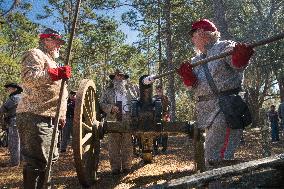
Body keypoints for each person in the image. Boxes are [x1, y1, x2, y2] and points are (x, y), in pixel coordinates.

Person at [177, 19, 254, 169]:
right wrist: (188, 77)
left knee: (218, 158)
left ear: (203, 33)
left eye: (193, 35)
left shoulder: (224, 47)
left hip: (227, 109)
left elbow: (237, 64)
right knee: (212, 157)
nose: (192, 39)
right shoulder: (196, 60)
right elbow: (192, 86)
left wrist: (240, 57)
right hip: (208, 112)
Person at [16, 28, 71, 189]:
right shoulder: (35, 54)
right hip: (34, 114)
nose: (59, 46)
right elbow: (28, 78)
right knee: (36, 161)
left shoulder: (51, 60)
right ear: (46, 40)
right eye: (56, 42)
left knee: (50, 159)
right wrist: (55, 73)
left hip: (49, 117)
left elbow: (59, 94)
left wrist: (61, 115)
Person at [99, 69, 138, 175]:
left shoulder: (132, 89)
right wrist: (111, 108)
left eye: (122, 76)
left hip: (127, 119)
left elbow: (138, 102)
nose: (120, 78)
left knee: (127, 144)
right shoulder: (108, 90)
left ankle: (127, 167)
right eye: (118, 76)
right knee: (113, 146)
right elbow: (101, 103)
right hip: (113, 119)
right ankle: (115, 168)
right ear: (114, 78)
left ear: (124, 78)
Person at [0, 83, 22, 166]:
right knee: (21, 141)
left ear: (15, 89)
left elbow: (2, 109)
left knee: (14, 142)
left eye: (9, 88)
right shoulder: (23, 96)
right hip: (22, 120)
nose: (8, 90)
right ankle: (21, 160)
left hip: (14, 121)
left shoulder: (14, 98)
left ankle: (14, 162)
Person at [153, 85, 170, 154]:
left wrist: (166, 116)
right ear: (156, 90)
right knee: (155, 133)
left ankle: (164, 148)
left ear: (162, 90)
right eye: (158, 89)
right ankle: (155, 148)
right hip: (155, 117)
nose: (159, 90)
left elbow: (168, 108)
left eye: (160, 88)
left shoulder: (165, 98)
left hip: (164, 116)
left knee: (165, 133)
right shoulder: (153, 98)